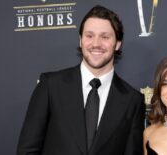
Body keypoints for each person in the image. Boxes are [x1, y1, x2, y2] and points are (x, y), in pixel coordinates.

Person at [17, 5, 145, 155]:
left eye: (105, 37)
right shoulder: (50, 85)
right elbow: (27, 150)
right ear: (80, 40)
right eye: (89, 36)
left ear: (117, 44)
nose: (96, 43)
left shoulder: (132, 100)